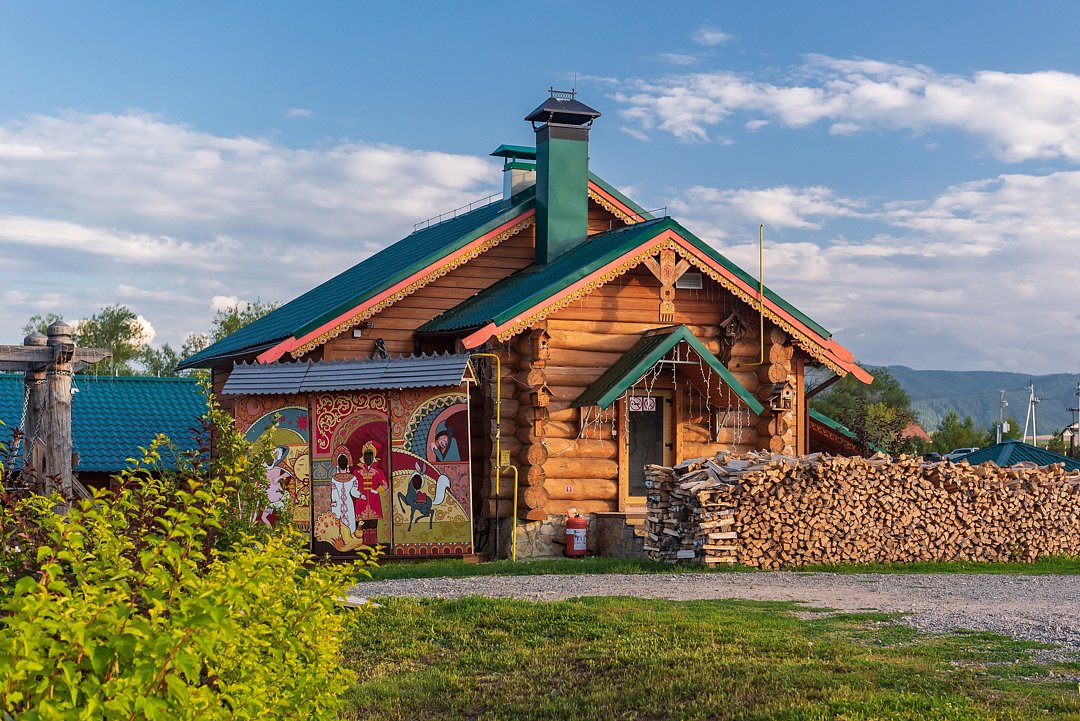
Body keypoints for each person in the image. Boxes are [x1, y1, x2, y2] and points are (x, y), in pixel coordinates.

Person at [352, 440, 387, 545]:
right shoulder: (356, 472)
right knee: (362, 524)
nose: (368, 459)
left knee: (373, 523)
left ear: (373, 457)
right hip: (361, 501)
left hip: (373, 501)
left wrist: (376, 491)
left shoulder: (378, 472)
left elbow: (385, 485)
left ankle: (373, 542)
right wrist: (358, 494)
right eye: (366, 456)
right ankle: (364, 542)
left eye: (370, 456)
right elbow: (353, 486)